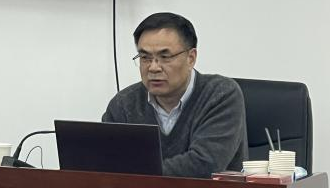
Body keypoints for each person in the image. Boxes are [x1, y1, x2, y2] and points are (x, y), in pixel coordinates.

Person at [102, 12, 247, 178]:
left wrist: (134, 172)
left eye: (165, 57)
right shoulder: (124, 104)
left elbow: (204, 164)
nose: (153, 68)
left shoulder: (221, 94)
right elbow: (105, 162)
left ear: (191, 58)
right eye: (145, 57)